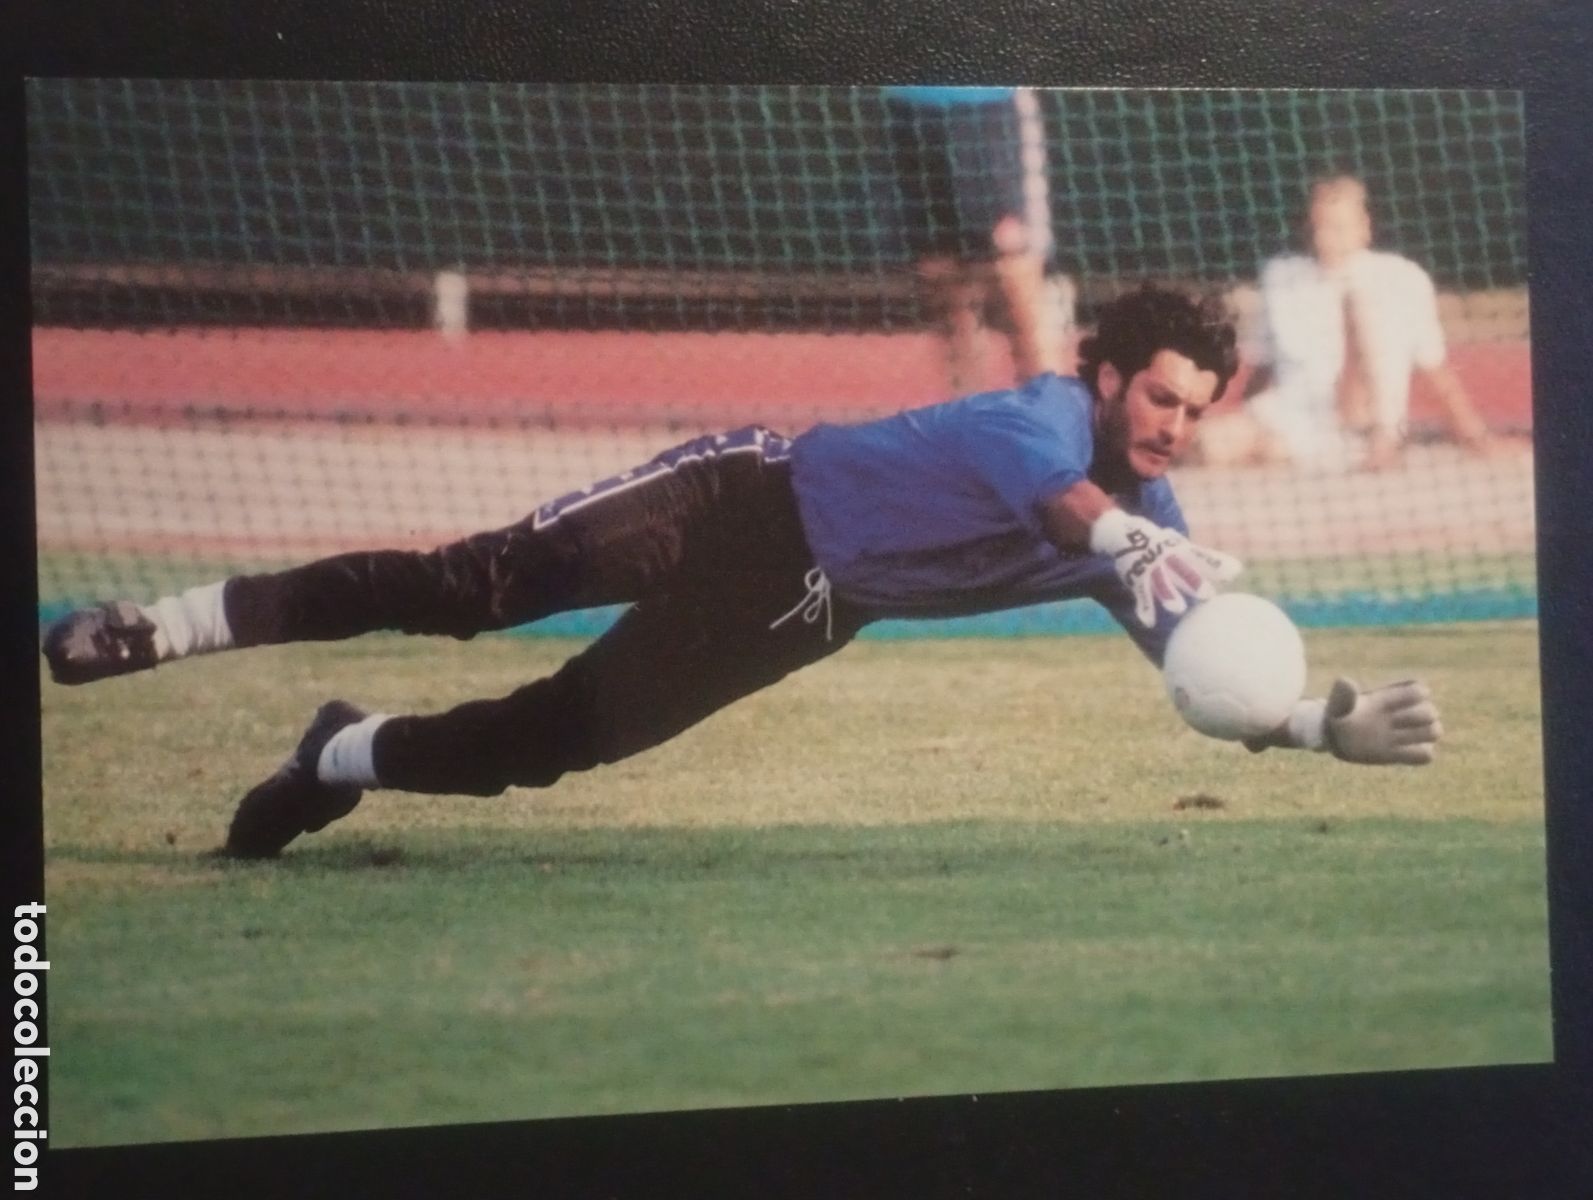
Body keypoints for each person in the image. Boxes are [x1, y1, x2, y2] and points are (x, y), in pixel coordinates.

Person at [42, 285, 1442, 859]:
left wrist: (1320, 723)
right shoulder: (1048, 423)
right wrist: (1129, 532)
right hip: (741, 498)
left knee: (555, 741)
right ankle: (158, 628)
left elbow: (1203, 670)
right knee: (472, 586)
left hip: (805, 607)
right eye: (1163, 398)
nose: (1174, 428)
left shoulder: (1150, 514)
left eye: (1196, 413)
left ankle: (338, 760)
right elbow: (1063, 505)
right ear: (1109, 372)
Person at [1196, 175, 1504, 472]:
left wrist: (1475, 436)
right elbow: (1262, 367)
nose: (1324, 239)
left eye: (1337, 228)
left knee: (1366, 306)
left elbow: (1434, 369)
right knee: (1205, 445)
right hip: (1292, 418)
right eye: (1317, 228)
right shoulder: (1282, 278)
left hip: (1371, 428)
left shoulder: (1403, 279)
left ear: (1364, 227)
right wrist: (1244, 417)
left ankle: (1377, 444)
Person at [881, 86, 1069, 393]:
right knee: (943, 277)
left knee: (1013, 268)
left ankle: (1051, 416)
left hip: (989, 107)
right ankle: (969, 419)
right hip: (910, 108)